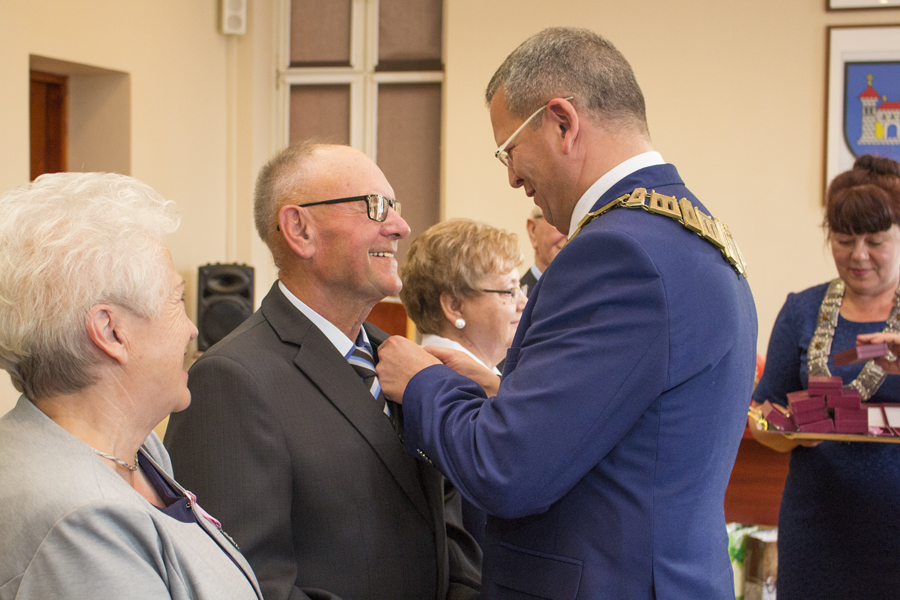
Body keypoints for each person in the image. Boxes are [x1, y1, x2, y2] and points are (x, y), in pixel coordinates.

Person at [376, 27, 757, 599]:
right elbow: (636, 426)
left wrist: (423, 382)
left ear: (562, 122)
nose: (511, 176)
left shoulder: (617, 253)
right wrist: (503, 392)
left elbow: (507, 471)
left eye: (509, 150)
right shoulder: (693, 235)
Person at [164, 142, 481, 600]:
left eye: (395, 206)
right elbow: (250, 584)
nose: (400, 226)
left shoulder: (401, 361)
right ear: (300, 229)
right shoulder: (230, 380)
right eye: (375, 207)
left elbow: (451, 537)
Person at [0, 173, 263, 600]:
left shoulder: (136, 451)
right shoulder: (81, 524)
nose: (192, 330)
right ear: (111, 332)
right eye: (177, 301)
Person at [750, 154, 900, 599]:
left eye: (875, 241)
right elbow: (761, 414)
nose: (858, 256)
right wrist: (790, 432)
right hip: (816, 530)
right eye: (844, 240)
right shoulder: (802, 310)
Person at [400, 218, 527, 546]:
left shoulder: (491, 381)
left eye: (521, 289)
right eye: (509, 290)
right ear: (454, 306)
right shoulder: (440, 393)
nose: (523, 303)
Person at [520, 206, 566, 296]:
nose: (571, 234)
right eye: (561, 222)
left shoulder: (588, 295)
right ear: (533, 230)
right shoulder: (516, 300)